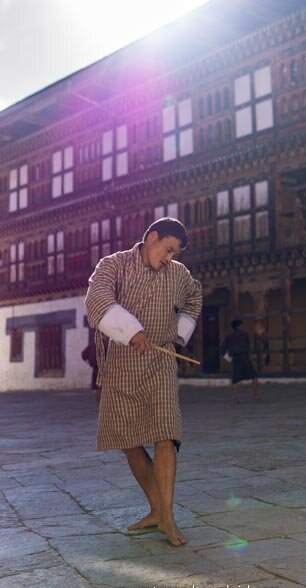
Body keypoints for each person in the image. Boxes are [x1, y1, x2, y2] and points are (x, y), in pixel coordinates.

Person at [85, 217, 202, 546]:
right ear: (152, 237)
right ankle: (157, 510)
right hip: (123, 361)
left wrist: (180, 333)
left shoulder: (178, 275)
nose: (170, 258)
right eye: (168, 249)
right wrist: (130, 330)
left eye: (175, 254)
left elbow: (194, 298)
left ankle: (167, 517)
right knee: (128, 439)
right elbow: (98, 300)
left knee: (166, 434)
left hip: (162, 359)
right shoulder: (114, 265)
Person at [220, 319, 258, 403]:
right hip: (244, 357)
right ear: (239, 326)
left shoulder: (229, 336)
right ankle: (254, 395)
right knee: (254, 376)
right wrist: (253, 357)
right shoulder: (245, 335)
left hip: (235, 358)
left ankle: (235, 398)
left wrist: (229, 359)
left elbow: (222, 350)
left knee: (235, 379)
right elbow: (248, 347)